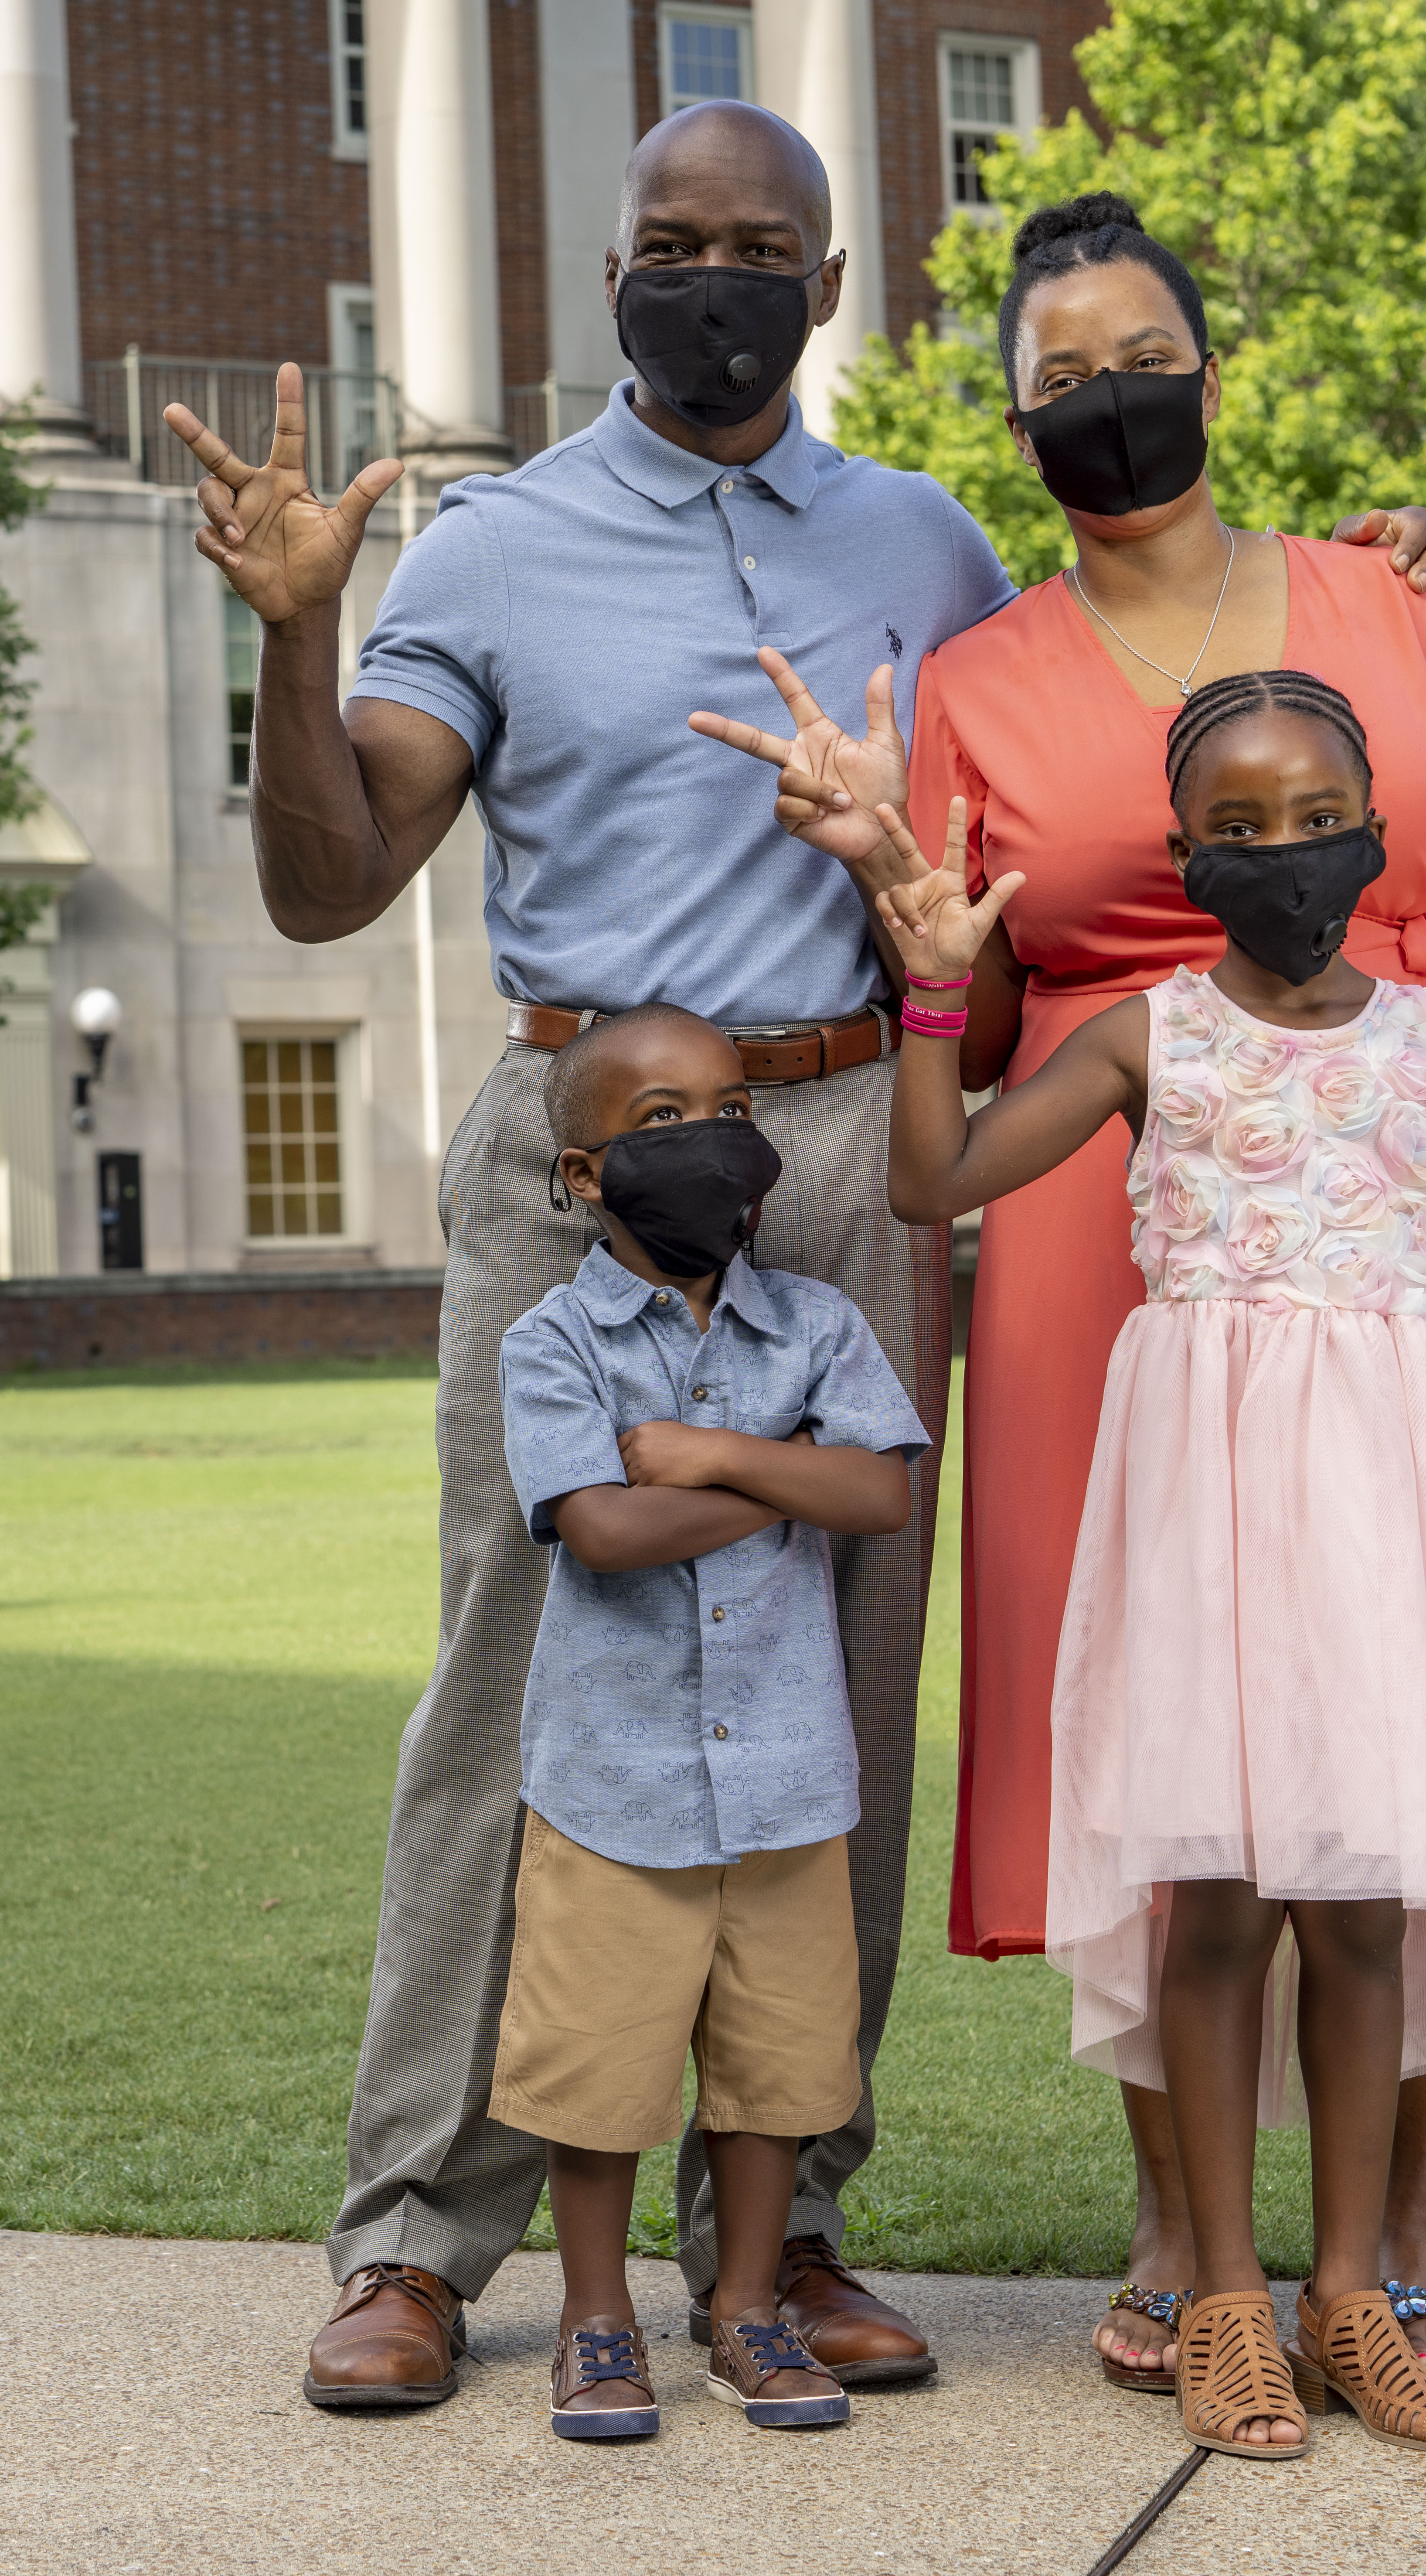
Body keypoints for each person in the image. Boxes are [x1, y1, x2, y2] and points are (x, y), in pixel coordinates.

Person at [166, 104, 1426, 2413]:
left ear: (829, 280)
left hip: (863, 1133)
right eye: (674, 243)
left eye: (758, 246)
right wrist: (296, 642)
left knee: (840, 1682)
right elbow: (327, 881)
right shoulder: (493, 542)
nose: (714, 278)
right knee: (517, 1672)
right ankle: (416, 2239)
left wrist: (1370, 582)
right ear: (612, 270)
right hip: (580, 1140)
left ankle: (784, 2222)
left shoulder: (930, 542)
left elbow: (1122, 705)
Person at [814, 191, 1426, 2387]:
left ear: (1212, 368)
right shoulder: (970, 687)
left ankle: (1417, 2193)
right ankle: (1184, 2217)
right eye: (1053, 378)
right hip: (1118, 1250)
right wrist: (906, 963)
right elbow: (962, 1037)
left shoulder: (1395, 603)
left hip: (1417, 1192)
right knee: (1157, 1717)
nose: (1106, 398)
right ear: (1011, 426)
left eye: (1133, 352)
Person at [876, 669, 1426, 2460]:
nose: (1281, 855)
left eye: (1315, 820)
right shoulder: (1144, 1038)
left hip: (1395, 1489)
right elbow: (932, 1184)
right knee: (1225, 1899)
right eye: (1235, 831)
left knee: (1368, 1900)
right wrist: (940, 986)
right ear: (1183, 857)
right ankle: (1228, 2299)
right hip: (1210, 1498)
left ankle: (1351, 2292)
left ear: (1378, 835)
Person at [489, 1006, 931, 2440]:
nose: (711, 1141)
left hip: (790, 1781)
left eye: (733, 1108)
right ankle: (597, 2319)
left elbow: (881, 1494)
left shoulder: (819, 1323)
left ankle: (746, 2306)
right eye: (661, 1122)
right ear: (584, 1172)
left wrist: (710, 1455)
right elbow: (604, 1531)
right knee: (600, 2071)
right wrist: (788, 1472)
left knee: (778, 2068)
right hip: (614, 1788)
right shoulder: (549, 1342)